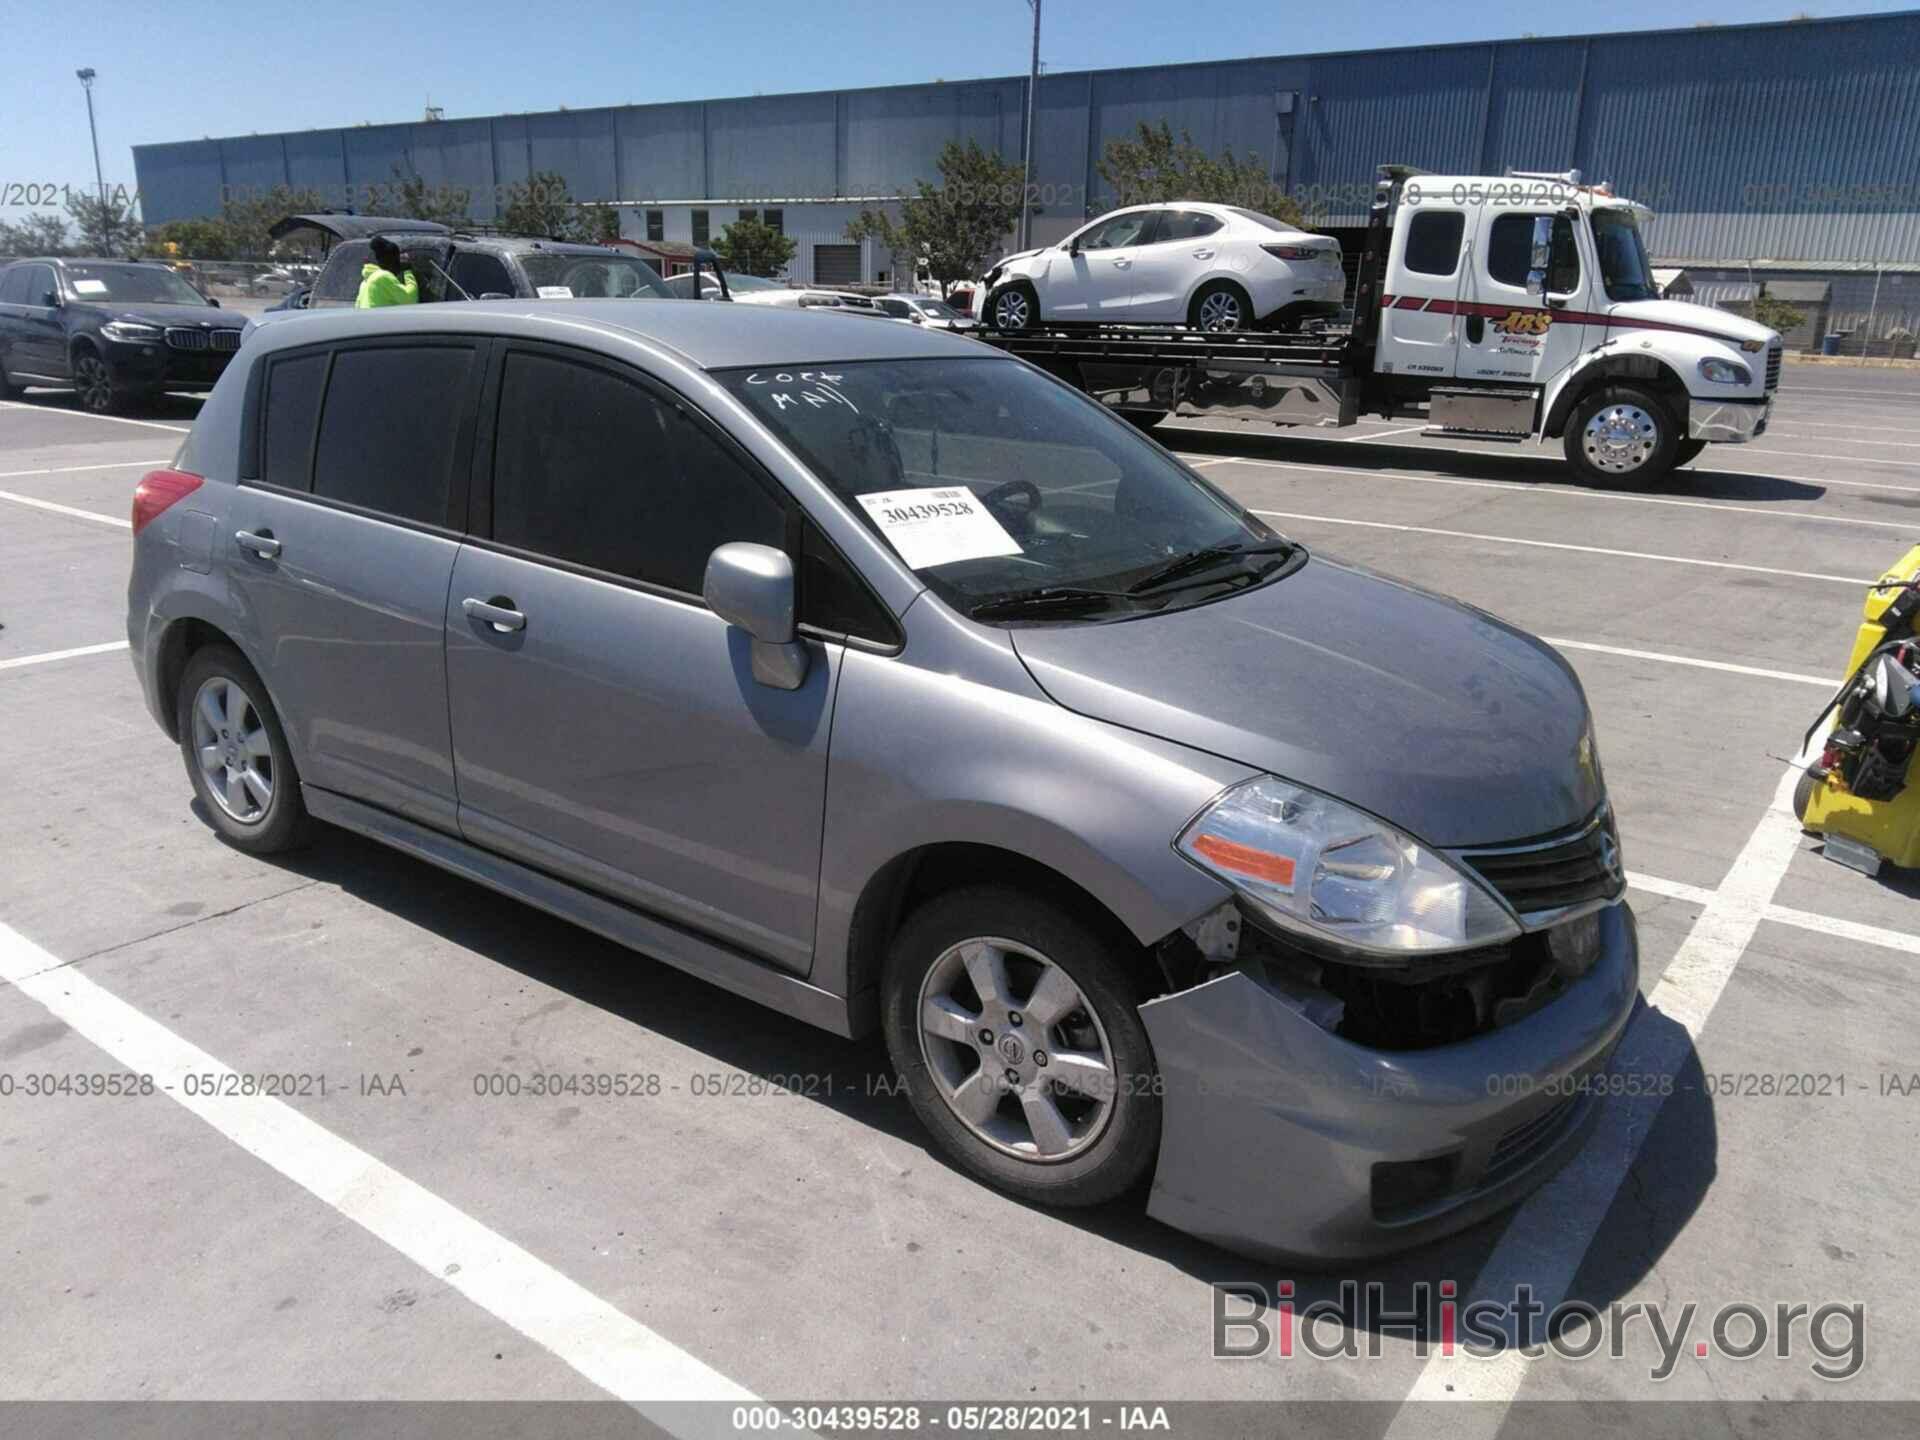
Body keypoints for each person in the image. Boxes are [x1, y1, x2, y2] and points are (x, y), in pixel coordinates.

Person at [354, 237, 418, 308]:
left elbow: (357, 306)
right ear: (391, 261)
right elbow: (410, 299)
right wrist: (407, 271)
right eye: (397, 262)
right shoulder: (383, 277)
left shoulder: (366, 281)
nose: (399, 267)